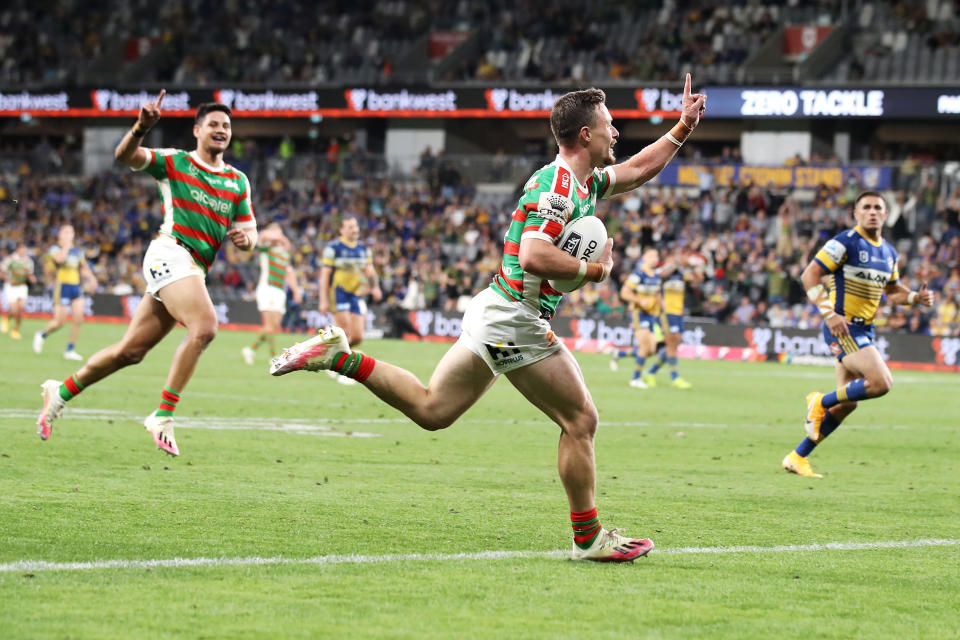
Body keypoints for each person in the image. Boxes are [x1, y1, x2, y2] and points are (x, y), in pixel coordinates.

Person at [271, 76, 706, 562]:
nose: (616, 133)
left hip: (496, 308)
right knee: (580, 419)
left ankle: (339, 357)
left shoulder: (583, 182)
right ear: (585, 135)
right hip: (515, 317)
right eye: (609, 125)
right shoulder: (558, 186)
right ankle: (589, 538)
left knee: (433, 411)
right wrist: (596, 269)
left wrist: (682, 127)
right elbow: (537, 255)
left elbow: (636, 169)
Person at [36, 91, 258, 455]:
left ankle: (58, 393)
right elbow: (125, 156)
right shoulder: (175, 162)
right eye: (214, 124)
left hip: (193, 269)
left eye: (227, 126)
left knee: (130, 352)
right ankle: (163, 415)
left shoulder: (238, 182)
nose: (221, 130)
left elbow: (251, 234)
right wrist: (141, 127)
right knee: (205, 328)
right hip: (170, 253)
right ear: (197, 130)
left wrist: (244, 239)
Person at [782, 191, 935, 478]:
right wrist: (829, 313)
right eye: (866, 207)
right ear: (856, 213)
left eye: (878, 207)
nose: (872, 211)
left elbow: (892, 291)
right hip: (843, 327)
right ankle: (819, 401)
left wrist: (916, 297)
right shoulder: (844, 243)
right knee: (881, 382)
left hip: (865, 328)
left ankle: (797, 456)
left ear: (886, 214)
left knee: (847, 404)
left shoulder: (888, 253)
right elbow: (808, 276)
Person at [318, 216, 382, 384]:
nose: (355, 229)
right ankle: (340, 371)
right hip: (337, 292)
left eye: (356, 226)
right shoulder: (333, 248)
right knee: (345, 332)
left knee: (358, 337)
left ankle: (330, 358)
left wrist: (375, 287)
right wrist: (323, 300)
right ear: (341, 230)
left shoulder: (363, 249)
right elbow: (324, 276)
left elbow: (370, 272)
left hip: (354, 295)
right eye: (351, 227)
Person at [33, 225, 97, 360]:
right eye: (66, 232)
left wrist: (92, 279)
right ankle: (42, 334)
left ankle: (70, 349)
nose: (69, 235)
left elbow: (83, 268)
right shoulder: (55, 249)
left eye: (71, 232)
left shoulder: (77, 251)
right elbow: (59, 260)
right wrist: (66, 246)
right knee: (59, 322)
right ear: (60, 235)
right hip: (62, 287)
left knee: (78, 319)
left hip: (76, 286)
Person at [242, 223, 302, 365]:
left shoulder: (285, 254)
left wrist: (296, 291)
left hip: (280, 291)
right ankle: (273, 357)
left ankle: (250, 349)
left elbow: (290, 274)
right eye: (275, 232)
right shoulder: (266, 248)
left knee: (275, 326)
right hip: (267, 288)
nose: (278, 236)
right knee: (269, 325)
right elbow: (263, 235)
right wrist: (279, 236)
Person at [640, 248, 695, 389]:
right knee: (671, 343)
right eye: (672, 259)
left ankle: (651, 372)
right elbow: (663, 274)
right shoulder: (661, 273)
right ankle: (674, 377)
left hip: (678, 313)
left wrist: (695, 265)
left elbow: (696, 280)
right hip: (666, 313)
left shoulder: (681, 274)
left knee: (675, 343)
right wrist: (674, 263)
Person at [610, 247, 662, 389]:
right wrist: (639, 301)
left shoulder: (656, 276)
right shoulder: (638, 274)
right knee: (645, 347)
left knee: (651, 349)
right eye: (652, 256)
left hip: (651, 315)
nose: (655, 259)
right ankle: (635, 379)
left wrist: (659, 307)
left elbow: (656, 295)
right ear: (644, 258)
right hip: (638, 313)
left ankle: (618, 354)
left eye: (656, 256)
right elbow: (624, 293)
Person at [1, 242, 36, 339]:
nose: (24, 251)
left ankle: (16, 330)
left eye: (25, 249)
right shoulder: (10, 260)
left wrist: (32, 278)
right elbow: (2, 273)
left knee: (21, 309)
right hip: (11, 287)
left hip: (22, 287)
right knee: (14, 309)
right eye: (22, 249)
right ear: (17, 250)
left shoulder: (29, 261)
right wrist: (9, 279)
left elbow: (29, 274)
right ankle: (7, 318)